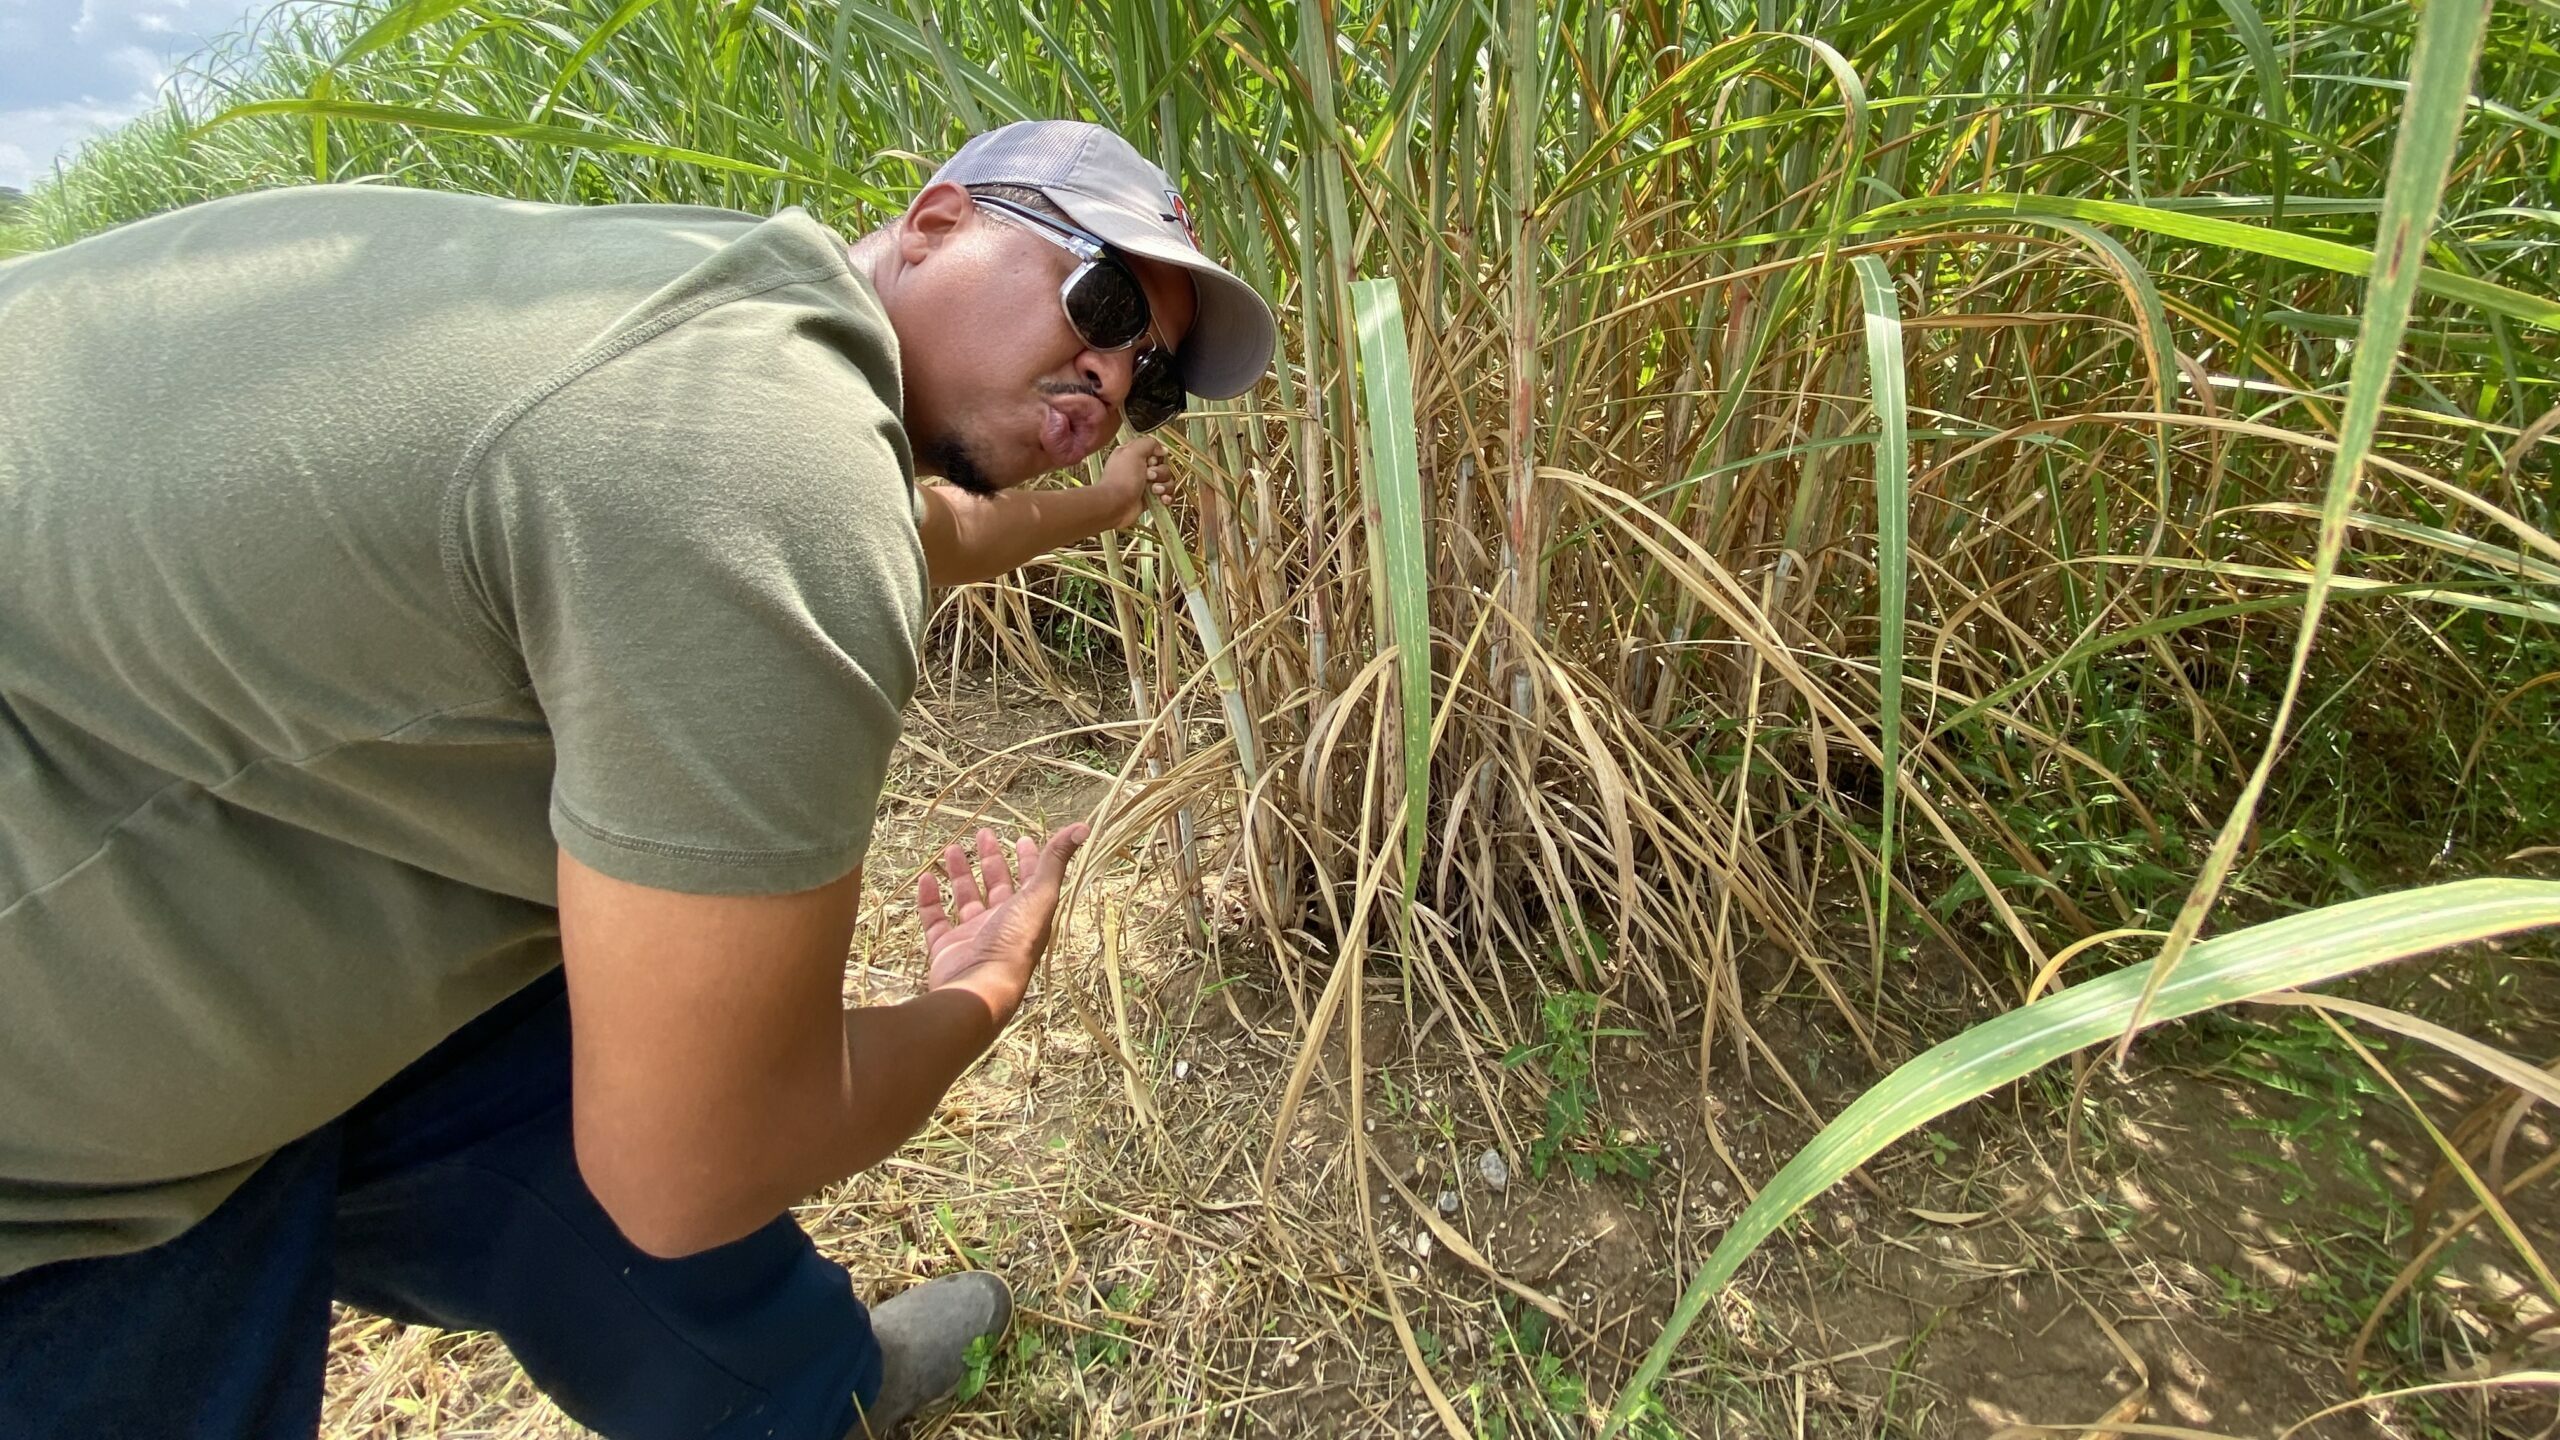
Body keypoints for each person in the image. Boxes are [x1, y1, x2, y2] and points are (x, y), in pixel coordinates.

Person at [0, 118, 1275, 1437]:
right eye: (1105, 299)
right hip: (57, 1101)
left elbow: (913, 529)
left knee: (581, 1027)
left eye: (1154, 379)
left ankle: (796, 1394)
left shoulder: (708, 317)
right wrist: (980, 995)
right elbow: (692, 1165)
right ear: (941, 220)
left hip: (186, 817)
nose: (1111, 378)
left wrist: (1109, 496)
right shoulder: (768, 470)